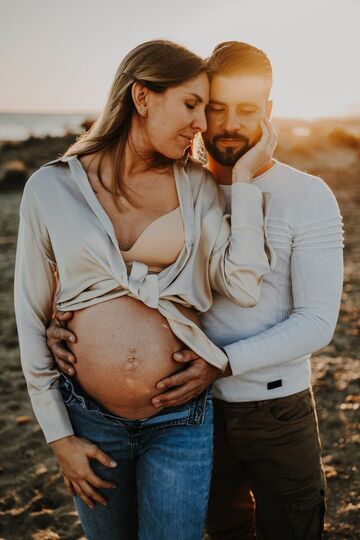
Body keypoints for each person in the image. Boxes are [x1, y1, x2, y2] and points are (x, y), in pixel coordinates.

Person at [49, 41, 344, 539]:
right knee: (223, 531)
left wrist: (220, 362)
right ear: (197, 108)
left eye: (247, 110)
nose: (228, 123)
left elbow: (317, 322)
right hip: (186, 415)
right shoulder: (171, 186)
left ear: (269, 113)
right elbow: (118, 272)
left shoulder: (307, 194)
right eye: (215, 107)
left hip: (275, 409)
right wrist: (67, 320)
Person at [14, 40, 276, 540]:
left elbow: (242, 286)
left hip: (180, 419)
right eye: (191, 104)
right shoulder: (50, 188)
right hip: (89, 420)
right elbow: (30, 316)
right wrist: (59, 438)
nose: (203, 123)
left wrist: (240, 182)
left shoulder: (198, 187)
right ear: (142, 97)